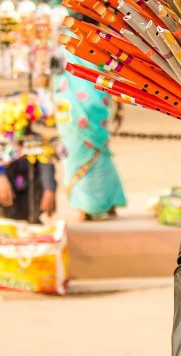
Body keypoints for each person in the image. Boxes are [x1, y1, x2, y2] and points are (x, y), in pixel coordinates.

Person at [51, 12, 127, 221]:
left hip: (72, 107)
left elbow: (57, 74)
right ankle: (105, 201)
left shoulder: (71, 37)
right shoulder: (98, 36)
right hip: (90, 105)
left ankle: (89, 205)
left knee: (84, 152)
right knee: (97, 151)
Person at [0, 131, 57, 224]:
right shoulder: (3, 138)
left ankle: (32, 220)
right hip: (8, 197)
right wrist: (1, 176)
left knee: (47, 182)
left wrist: (49, 189)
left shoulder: (36, 139)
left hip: (29, 194)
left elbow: (47, 163)